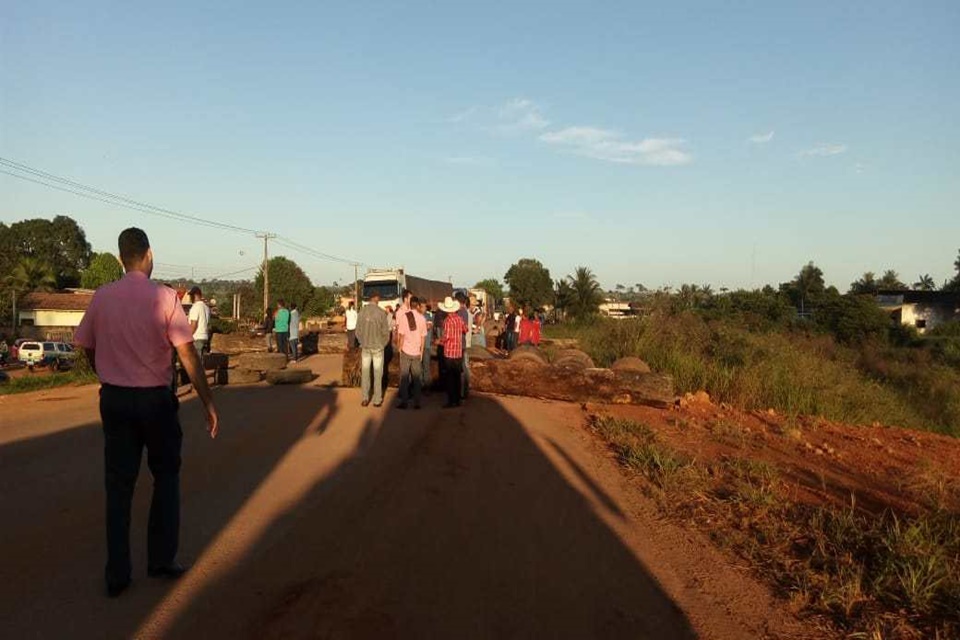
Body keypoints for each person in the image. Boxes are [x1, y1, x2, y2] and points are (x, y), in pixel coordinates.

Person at [74, 227, 219, 599]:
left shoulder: (103, 297)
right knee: (166, 478)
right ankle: (160, 560)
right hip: (156, 401)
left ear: (122, 256)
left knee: (118, 487)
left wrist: (105, 371)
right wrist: (207, 402)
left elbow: (86, 346)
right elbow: (187, 354)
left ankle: (117, 574)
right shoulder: (166, 297)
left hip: (116, 400)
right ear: (149, 255)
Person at [355, 292, 390, 407]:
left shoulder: (362, 312)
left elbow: (357, 332)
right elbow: (386, 333)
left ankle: (365, 398)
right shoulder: (381, 313)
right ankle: (377, 399)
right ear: (376, 298)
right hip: (378, 348)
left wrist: (362, 342)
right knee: (378, 374)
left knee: (365, 373)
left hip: (365, 347)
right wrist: (382, 344)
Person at [396, 296, 427, 410]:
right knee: (416, 378)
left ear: (410, 305)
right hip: (417, 352)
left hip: (406, 350)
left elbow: (402, 335)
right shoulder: (422, 319)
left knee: (404, 377)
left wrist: (399, 348)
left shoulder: (405, 317)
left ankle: (404, 402)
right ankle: (417, 402)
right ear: (418, 305)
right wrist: (422, 352)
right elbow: (423, 338)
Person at [437, 296, 467, 408]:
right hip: (458, 352)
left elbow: (446, 337)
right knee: (457, 376)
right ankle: (458, 399)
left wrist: (439, 341)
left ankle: (451, 400)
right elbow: (466, 329)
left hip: (449, 353)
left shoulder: (447, 321)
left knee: (449, 377)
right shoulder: (459, 319)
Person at [187, 287, 211, 357]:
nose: (190, 298)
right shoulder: (206, 307)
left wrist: (187, 337)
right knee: (201, 362)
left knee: (196, 363)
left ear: (194, 295)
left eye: (191, 296)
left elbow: (194, 325)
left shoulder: (195, 307)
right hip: (205, 337)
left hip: (197, 337)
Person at [421, 303, 434, 389]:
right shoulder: (418, 316)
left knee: (426, 366)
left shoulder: (428, 316)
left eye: (424, 307)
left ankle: (427, 386)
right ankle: (420, 385)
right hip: (418, 346)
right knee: (419, 367)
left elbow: (429, 326)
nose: (423, 308)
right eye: (422, 306)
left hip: (426, 345)